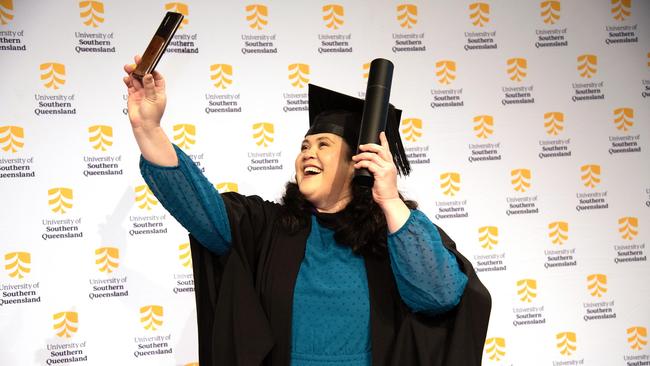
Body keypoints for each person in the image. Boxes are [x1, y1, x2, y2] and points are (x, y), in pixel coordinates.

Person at [123, 56, 491, 366]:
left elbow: (439, 295)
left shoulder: (398, 236)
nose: (307, 154)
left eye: (323, 144)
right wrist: (149, 129)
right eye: (304, 145)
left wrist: (391, 201)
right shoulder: (269, 228)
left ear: (357, 162)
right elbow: (199, 208)